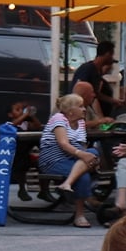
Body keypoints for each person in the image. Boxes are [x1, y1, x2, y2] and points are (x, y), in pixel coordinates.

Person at [37, 92, 101, 227]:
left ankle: (67, 184)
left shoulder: (81, 123)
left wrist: (88, 158)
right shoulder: (58, 118)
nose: (85, 109)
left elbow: (83, 147)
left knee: (93, 152)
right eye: (81, 106)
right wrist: (84, 156)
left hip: (73, 159)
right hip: (53, 161)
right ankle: (80, 215)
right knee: (83, 176)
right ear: (71, 111)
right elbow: (63, 143)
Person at [73, 46, 119, 117]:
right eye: (111, 55)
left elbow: (97, 94)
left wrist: (114, 101)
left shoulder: (98, 73)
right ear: (107, 54)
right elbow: (80, 89)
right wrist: (99, 118)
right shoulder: (87, 69)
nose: (111, 67)